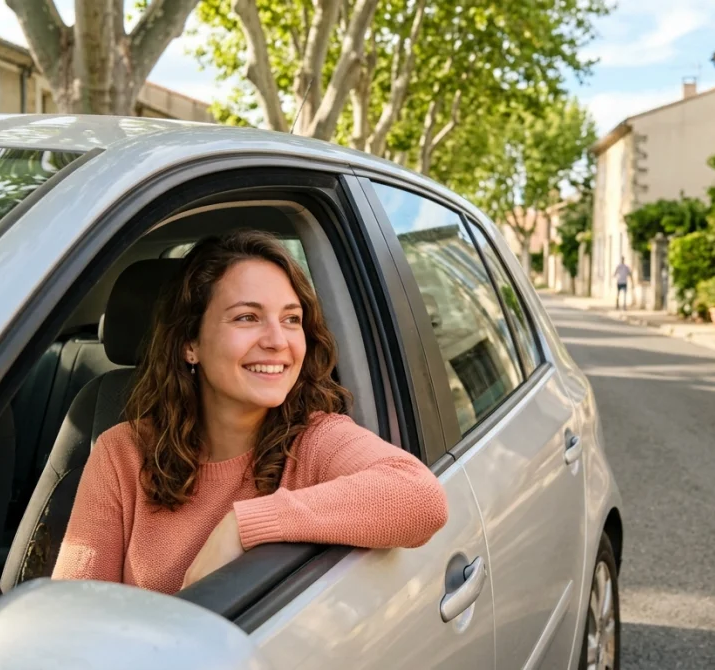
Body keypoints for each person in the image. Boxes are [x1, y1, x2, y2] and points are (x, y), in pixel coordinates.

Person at [52, 230, 449, 595]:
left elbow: (421, 496)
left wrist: (244, 526)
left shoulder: (315, 441)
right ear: (191, 343)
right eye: (247, 317)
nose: (278, 341)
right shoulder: (123, 451)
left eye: (292, 319)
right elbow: (73, 618)